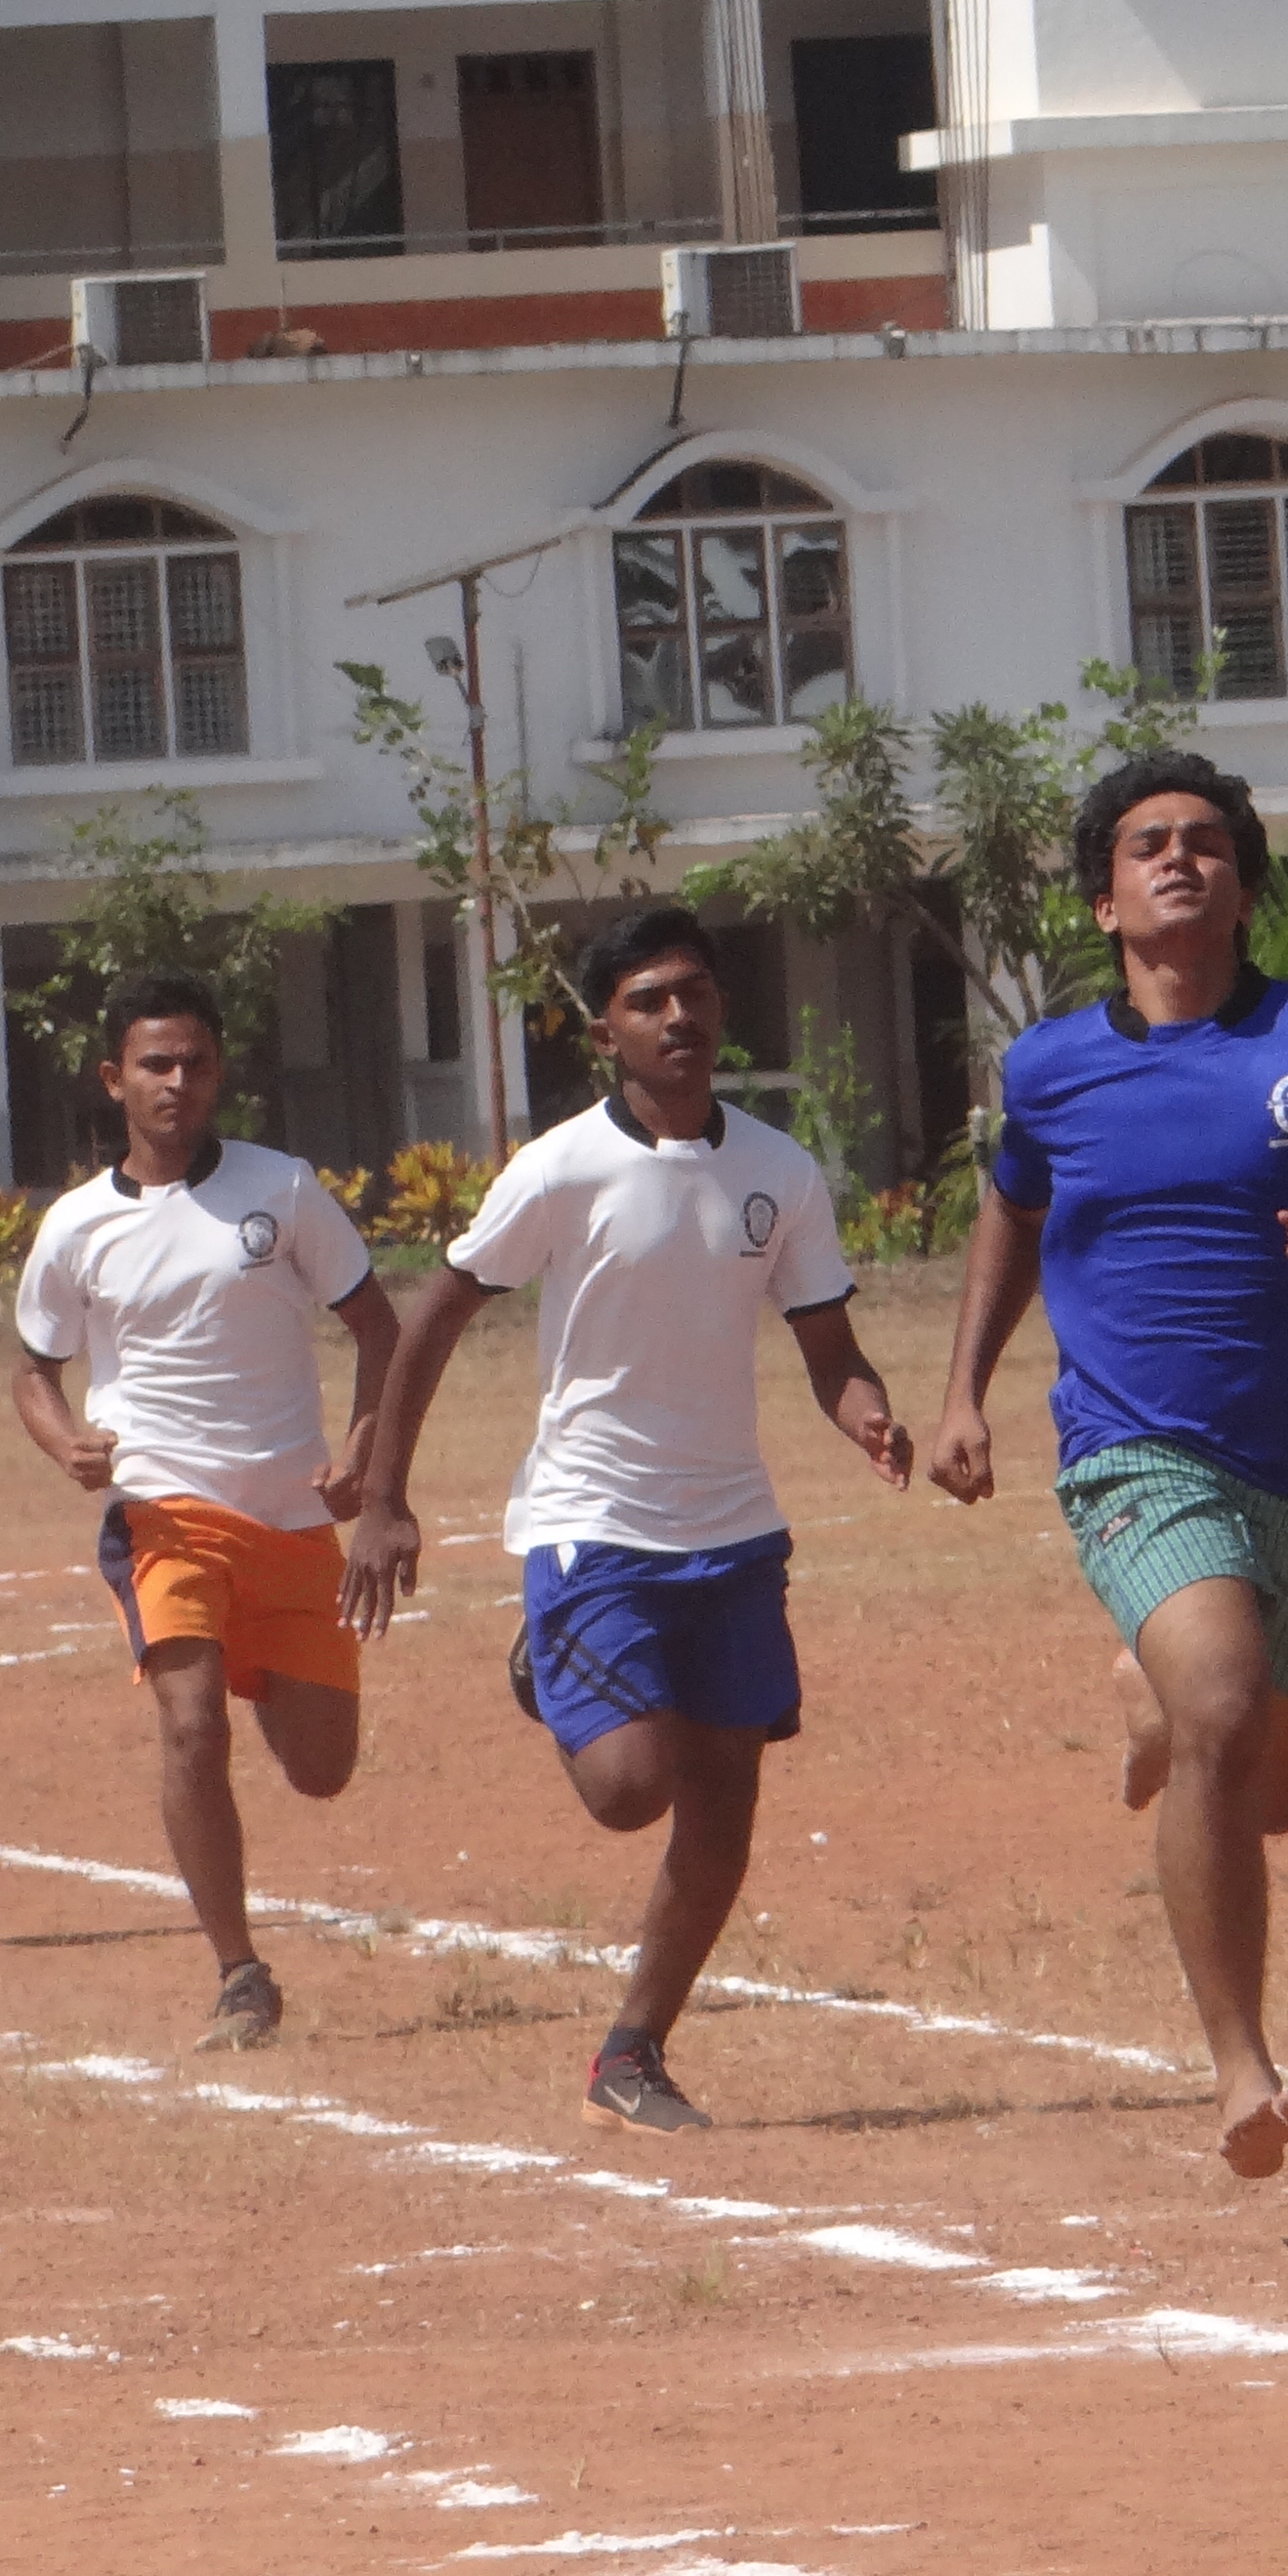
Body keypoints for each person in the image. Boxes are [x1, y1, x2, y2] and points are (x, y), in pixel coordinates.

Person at [928, 752, 1288, 2180]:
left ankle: (1156, 1698)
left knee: (1268, 1790)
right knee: (1226, 1709)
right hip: (1133, 1452)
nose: (1178, 858)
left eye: (1205, 842)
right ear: (1105, 902)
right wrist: (964, 1393)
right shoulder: (1050, 1068)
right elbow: (1012, 1211)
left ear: (1243, 887)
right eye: (1147, 845)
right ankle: (1241, 2066)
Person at [348, 903, 911, 2135]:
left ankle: (630, 2054)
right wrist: (385, 1496)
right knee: (626, 1787)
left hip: (734, 1531)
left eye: (693, 992)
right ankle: (550, 1661)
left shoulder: (779, 1172)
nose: (677, 1015)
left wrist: (870, 1417)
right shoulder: (559, 1169)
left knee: (723, 1816)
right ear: (606, 1032)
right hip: (592, 1518)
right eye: (648, 999)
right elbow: (436, 1316)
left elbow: (831, 1351)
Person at [8, 971, 399, 2051]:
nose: (175, 1081)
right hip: (161, 1511)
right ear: (113, 1079)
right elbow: (34, 1369)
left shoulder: (284, 1190)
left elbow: (380, 1328)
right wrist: (66, 1443)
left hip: (290, 1514)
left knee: (322, 1770)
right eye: (154, 1064)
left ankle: (260, 1661)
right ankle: (240, 1973)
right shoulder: (77, 1225)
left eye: (194, 1063)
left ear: (219, 1073)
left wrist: (362, 1453)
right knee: (191, 1724)